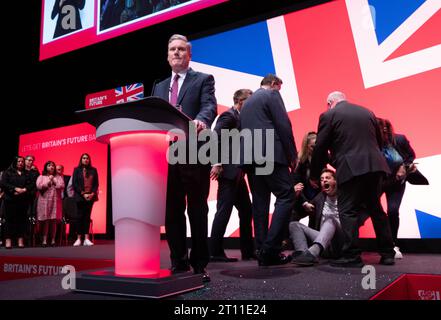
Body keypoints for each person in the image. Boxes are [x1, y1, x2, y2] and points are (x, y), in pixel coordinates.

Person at [153, 34, 217, 281]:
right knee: (172, 210)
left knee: (198, 208)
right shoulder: (158, 86)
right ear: (167, 56)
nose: (177, 53)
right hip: (166, 154)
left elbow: (209, 106)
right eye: (173, 50)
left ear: (189, 54)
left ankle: (199, 263)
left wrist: (202, 120)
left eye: (181, 49)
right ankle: (178, 261)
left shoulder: (202, 79)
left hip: (195, 150)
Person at [310, 91, 395, 267]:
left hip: (351, 168)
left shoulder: (329, 115)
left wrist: (314, 174)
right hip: (375, 166)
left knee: (347, 210)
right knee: (376, 210)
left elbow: (320, 147)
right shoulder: (367, 112)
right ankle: (388, 253)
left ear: (330, 102)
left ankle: (351, 255)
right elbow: (378, 142)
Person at [239, 74, 297, 266]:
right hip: (271, 155)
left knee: (260, 204)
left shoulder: (247, 102)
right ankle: (271, 249)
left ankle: (263, 251)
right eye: (279, 87)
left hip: (251, 158)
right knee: (287, 195)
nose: (279, 91)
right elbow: (283, 125)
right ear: (273, 84)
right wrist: (292, 155)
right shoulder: (271, 95)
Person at [209, 89, 255, 262]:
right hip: (228, 172)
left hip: (237, 173)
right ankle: (214, 252)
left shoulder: (240, 118)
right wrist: (217, 162)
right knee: (223, 211)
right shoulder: (228, 116)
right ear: (240, 101)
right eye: (249, 101)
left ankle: (248, 252)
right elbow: (214, 138)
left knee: (246, 210)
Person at [377, 118, 417, 259]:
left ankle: (393, 244)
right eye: (381, 130)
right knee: (366, 210)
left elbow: (411, 156)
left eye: (386, 129)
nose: (385, 132)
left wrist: (404, 167)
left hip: (396, 181)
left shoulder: (399, 140)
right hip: (379, 181)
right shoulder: (372, 143)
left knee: (393, 211)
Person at [290, 169, 344, 266]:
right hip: (324, 244)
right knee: (294, 225)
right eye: (322, 179)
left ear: (335, 181)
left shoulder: (345, 196)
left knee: (330, 219)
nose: (324, 181)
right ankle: (304, 254)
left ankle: (313, 253)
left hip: (340, 242)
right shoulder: (320, 197)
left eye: (328, 178)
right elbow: (300, 211)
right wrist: (295, 196)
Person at [0, 157, 33, 248]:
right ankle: (8, 240)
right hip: (10, 199)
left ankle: (20, 239)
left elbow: (32, 184)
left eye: (22, 161)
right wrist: (15, 189)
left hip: (23, 199)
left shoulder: (27, 173)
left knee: (22, 220)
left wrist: (24, 189)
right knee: (9, 220)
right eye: (19, 161)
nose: (21, 163)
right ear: (15, 162)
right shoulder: (7, 172)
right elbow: (3, 184)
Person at [72, 153, 99, 246]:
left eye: (87, 158)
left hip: (90, 197)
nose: (85, 160)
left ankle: (86, 239)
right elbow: (75, 184)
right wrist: (83, 194)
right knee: (79, 217)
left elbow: (96, 184)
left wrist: (92, 193)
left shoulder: (93, 170)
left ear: (89, 160)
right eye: (84, 158)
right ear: (81, 159)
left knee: (87, 217)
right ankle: (79, 238)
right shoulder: (76, 170)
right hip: (80, 196)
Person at [36, 161, 65, 247]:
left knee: (53, 220)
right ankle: (44, 240)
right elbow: (39, 186)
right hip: (44, 201)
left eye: (53, 165)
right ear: (46, 167)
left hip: (55, 201)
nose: (51, 167)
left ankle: (53, 240)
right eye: (49, 165)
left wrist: (54, 180)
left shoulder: (58, 177)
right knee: (45, 221)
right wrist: (49, 180)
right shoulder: (41, 176)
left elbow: (62, 186)